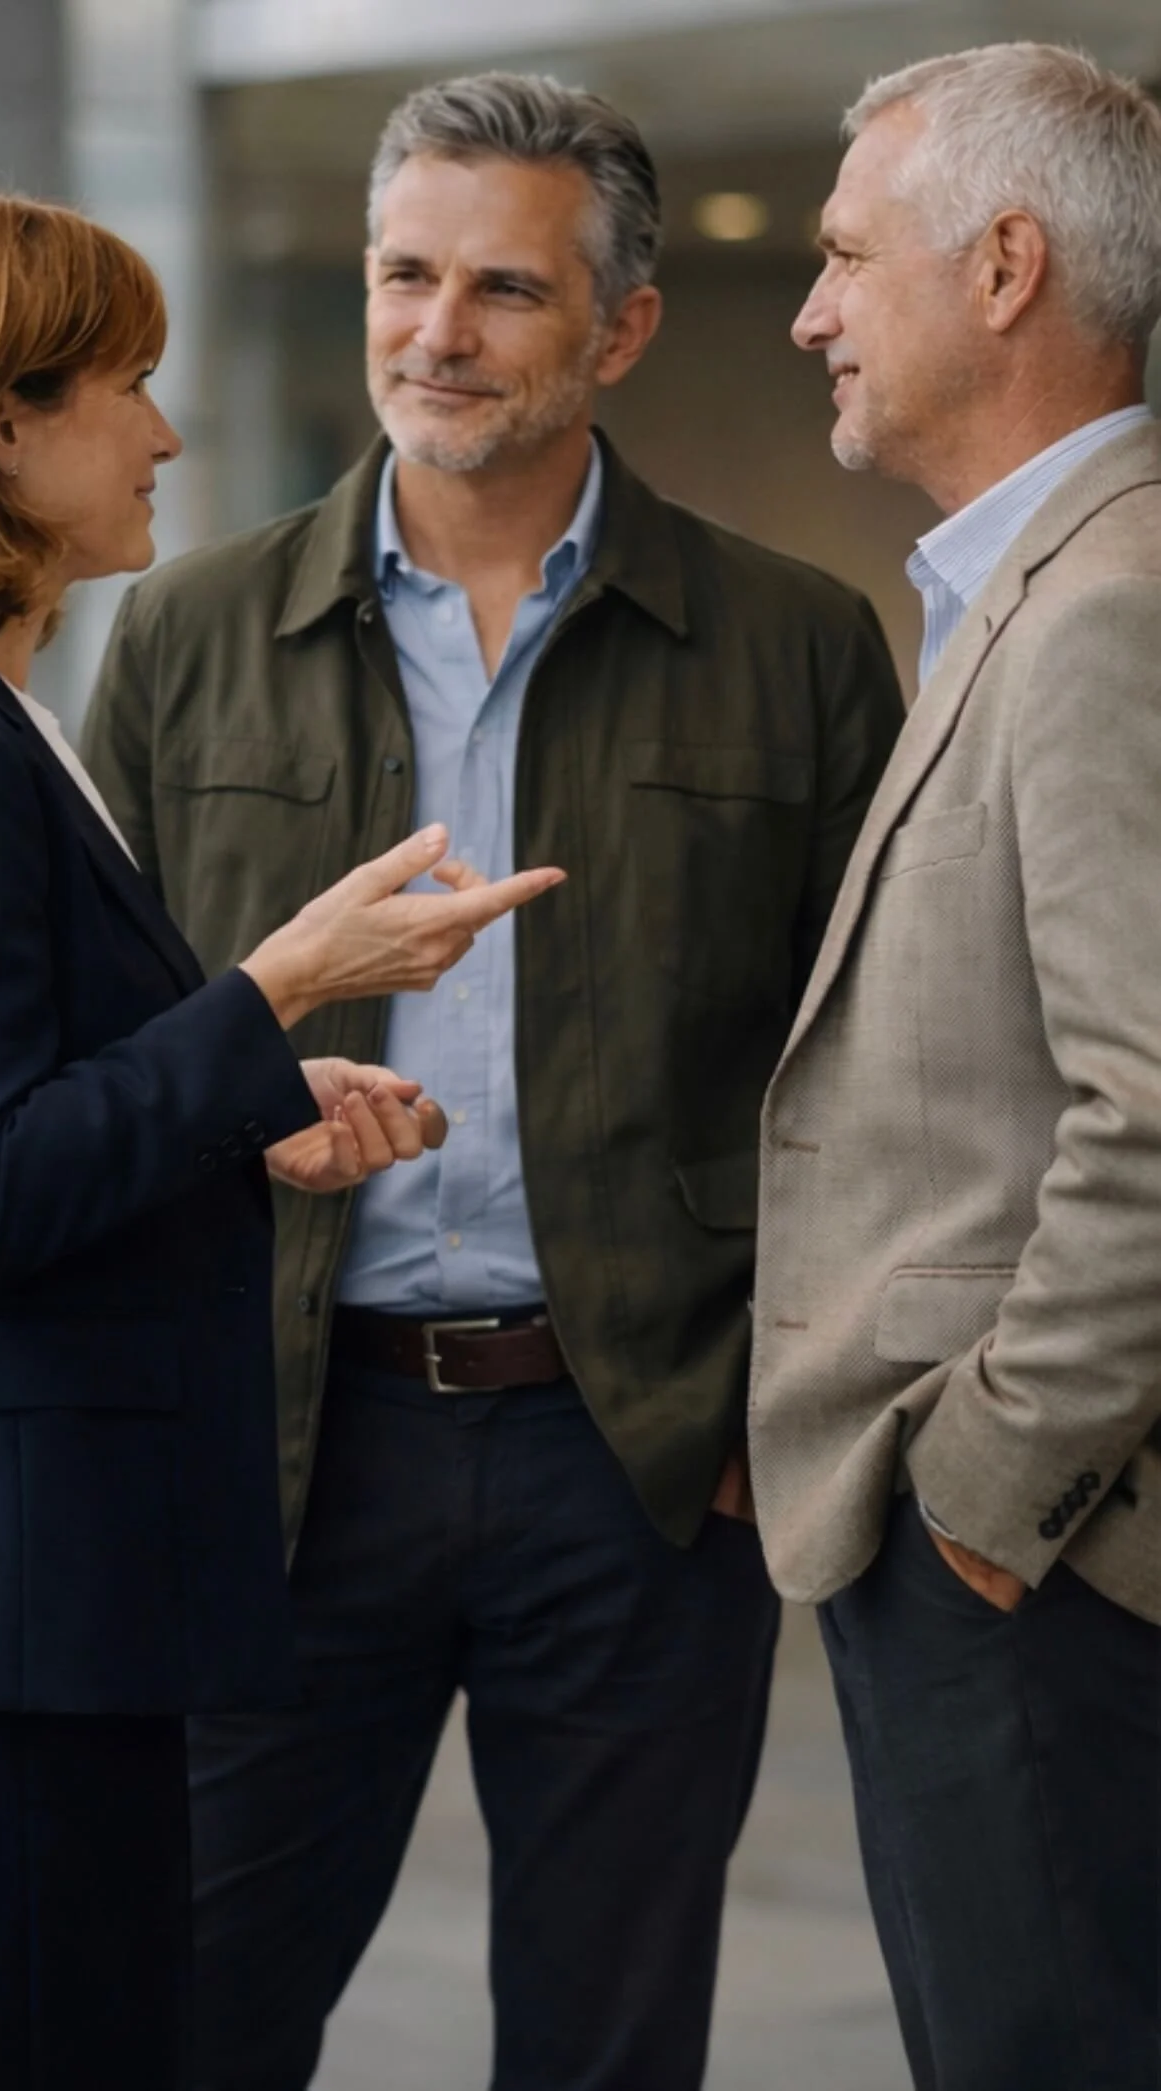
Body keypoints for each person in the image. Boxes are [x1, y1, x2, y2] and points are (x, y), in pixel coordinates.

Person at [82, 72, 904, 2091]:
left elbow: (872, 1069)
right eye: (402, 274)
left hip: (632, 1468)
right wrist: (235, 1116)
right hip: (283, 1456)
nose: (433, 331)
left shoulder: (790, 646)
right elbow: (100, 1047)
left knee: (607, 2043)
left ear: (618, 329)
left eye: (504, 291)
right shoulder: (189, 634)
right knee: (186, 2008)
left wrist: (752, 1430)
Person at [0, 186, 561, 2091]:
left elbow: (15, 1109)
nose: (167, 435)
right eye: (126, 386)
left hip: (41, 1607)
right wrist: (273, 990)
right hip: (12, 1625)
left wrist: (246, 1113)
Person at [747, 41, 1161, 2091]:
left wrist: (990, 1482)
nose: (810, 311)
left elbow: (1155, 1109)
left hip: (1038, 1557)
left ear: (1002, 268)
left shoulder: (1104, 607)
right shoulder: (1022, 582)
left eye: (840, 256)